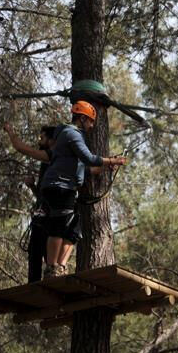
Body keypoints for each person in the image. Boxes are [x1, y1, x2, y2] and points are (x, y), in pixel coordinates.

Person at [37, 101, 126, 278]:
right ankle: (51, 268)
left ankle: (58, 266)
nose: (92, 126)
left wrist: (108, 165)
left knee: (71, 227)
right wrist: (111, 161)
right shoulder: (72, 134)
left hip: (63, 186)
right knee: (59, 226)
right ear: (83, 118)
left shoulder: (70, 136)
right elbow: (89, 158)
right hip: (60, 186)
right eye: (91, 121)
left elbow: (82, 167)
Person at [3, 123, 57, 282]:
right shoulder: (46, 163)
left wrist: (11, 132)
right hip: (41, 215)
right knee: (34, 254)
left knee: (47, 256)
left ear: (51, 140)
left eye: (42, 137)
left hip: (50, 217)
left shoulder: (52, 157)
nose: (39, 140)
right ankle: (34, 287)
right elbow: (43, 195)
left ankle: (49, 287)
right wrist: (33, 186)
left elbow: (22, 148)